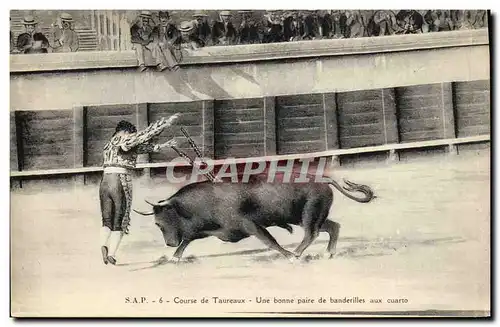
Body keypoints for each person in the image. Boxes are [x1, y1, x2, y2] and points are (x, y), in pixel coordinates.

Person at [100, 113, 180, 265]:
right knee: (120, 221)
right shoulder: (126, 139)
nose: (132, 136)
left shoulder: (109, 144)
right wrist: (166, 123)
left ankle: (103, 244)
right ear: (124, 132)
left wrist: (164, 145)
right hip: (119, 180)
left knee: (106, 220)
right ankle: (111, 254)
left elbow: (143, 147)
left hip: (104, 181)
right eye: (130, 133)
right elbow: (144, 136)